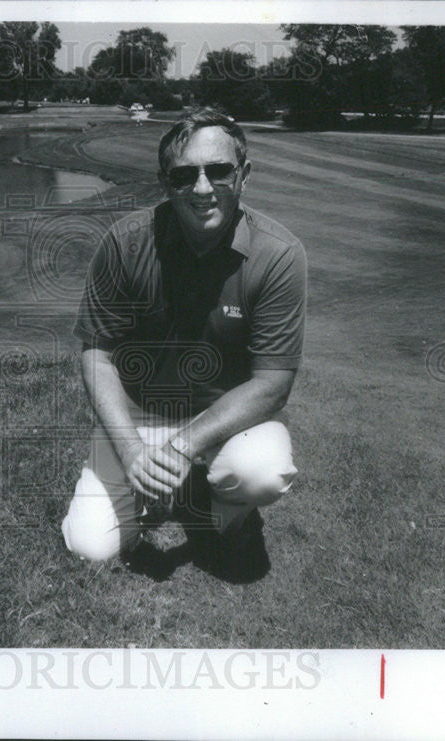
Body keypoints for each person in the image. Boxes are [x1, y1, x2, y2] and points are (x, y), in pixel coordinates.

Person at [61, 108, 306, 581]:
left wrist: (180, 448)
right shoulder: (126, 242)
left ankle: (217, 501)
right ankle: (164, 483)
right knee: (89, 545)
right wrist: (132, 450)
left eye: (218, 171)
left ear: (244, 175)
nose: (201, 188)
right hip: (140, 413)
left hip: (225, 420)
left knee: (263, 470)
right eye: (184, 175)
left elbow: (273, 385)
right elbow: (96, 352)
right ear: (164, 182)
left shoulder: (279, 255)